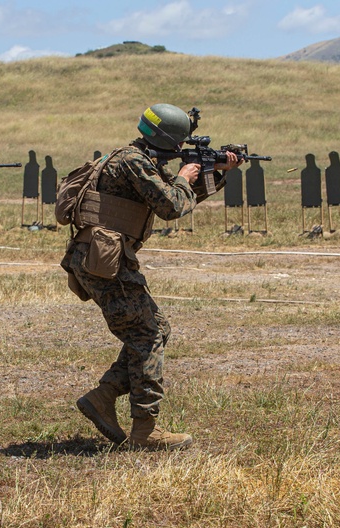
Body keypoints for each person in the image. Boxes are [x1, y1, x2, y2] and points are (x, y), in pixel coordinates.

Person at [63, 104, 241, 450]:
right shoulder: (133, 162)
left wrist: (215, 173)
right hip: (106, 261)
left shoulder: (135, 159)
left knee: (155, 330)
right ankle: (145, 429)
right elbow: (171, 205)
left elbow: (173, 199)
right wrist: (186, 175)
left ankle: (104, 395)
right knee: (147, 334)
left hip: (103, 257)